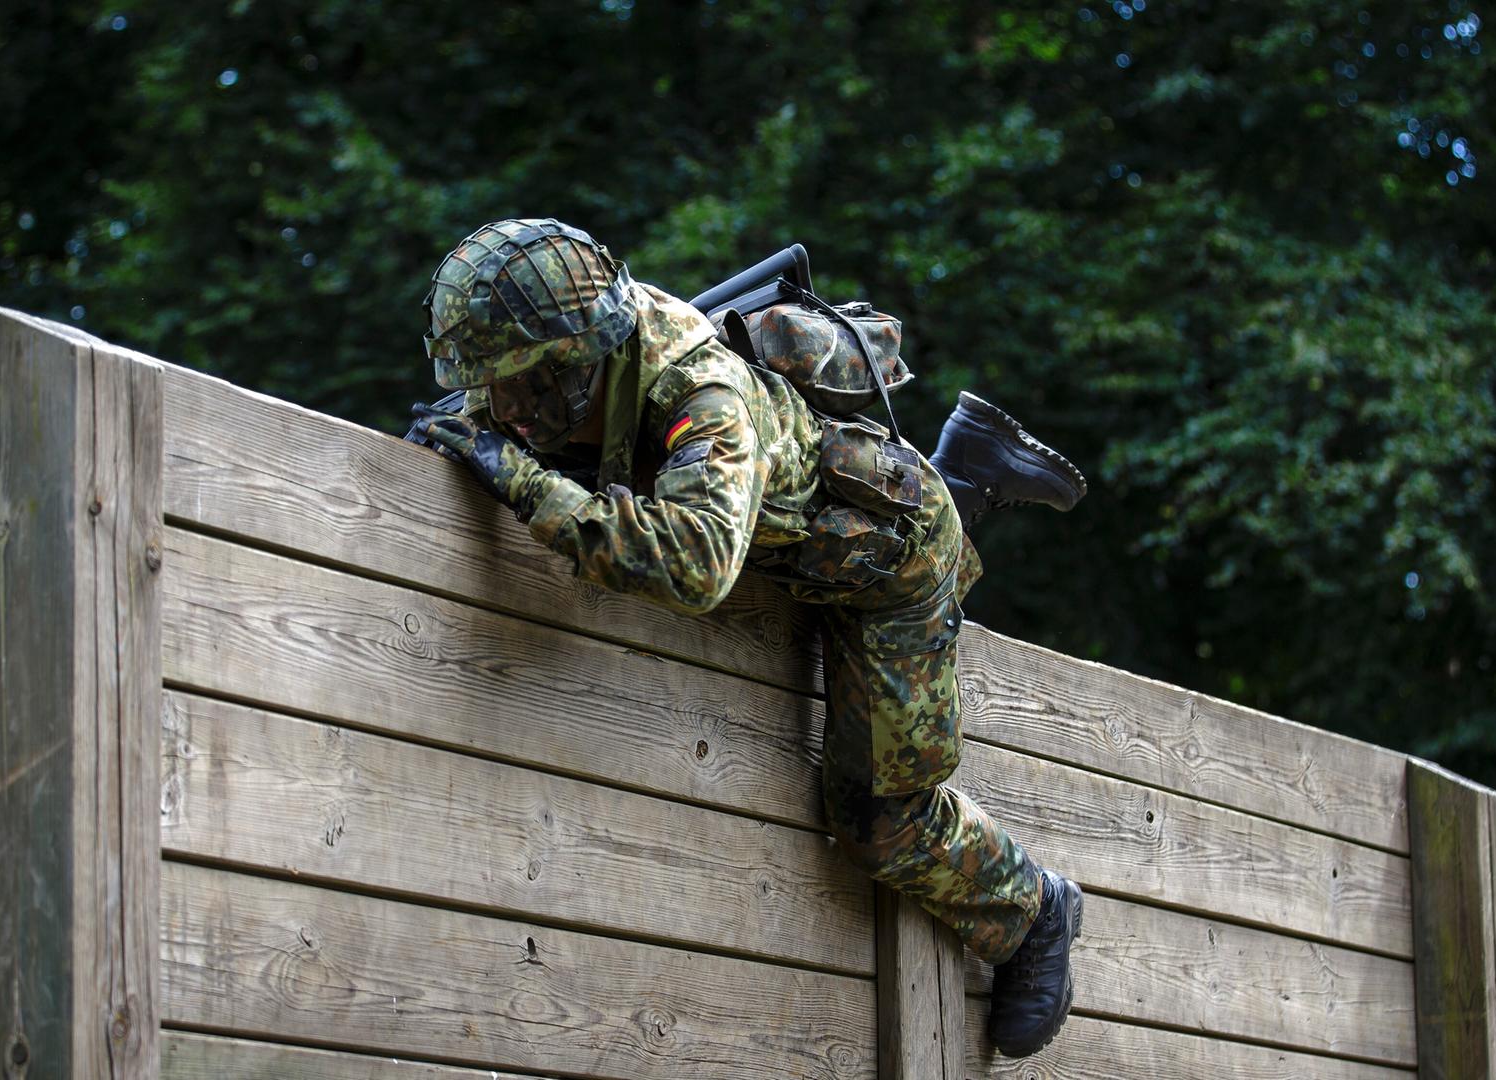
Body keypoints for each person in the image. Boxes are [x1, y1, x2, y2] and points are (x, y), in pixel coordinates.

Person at [407, 218, 1086, 1058]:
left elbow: (695, 565)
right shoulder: (578, 358)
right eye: (490, 388)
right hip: (795, 532)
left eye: (515, 387)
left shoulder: (703, 396)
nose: (498, 410)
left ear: (573, 359)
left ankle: (1034, 907)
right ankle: (971, 464)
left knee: (878, 817)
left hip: (890, 569)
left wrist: (520, 481)